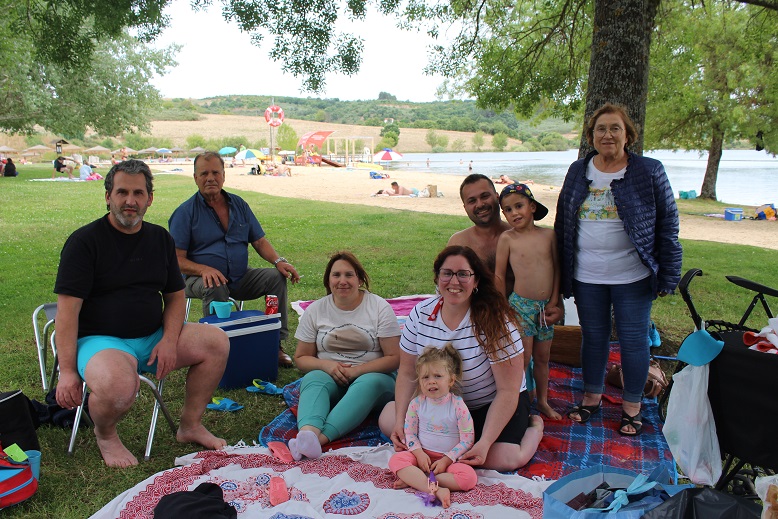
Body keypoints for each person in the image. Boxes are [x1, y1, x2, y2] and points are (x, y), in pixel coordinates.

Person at [53, 159, 230, 468]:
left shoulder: (160, 239)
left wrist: (170, 340)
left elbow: (175, 296)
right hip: (100, 341)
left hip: (152, 336)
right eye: (122, 192)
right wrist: (67, 371)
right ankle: (106, 433)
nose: (130, 201)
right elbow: (67, 313)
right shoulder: (84, 243)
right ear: (108, 196)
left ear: (150, 198)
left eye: (138, 193)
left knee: (216, 342)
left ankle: (189, 425)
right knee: (120, 386)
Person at [554, 103, 682, 436]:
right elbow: (562, 224)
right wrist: (560, 273)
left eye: (615, 128)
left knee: (634, 342)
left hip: (633, 276)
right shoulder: (577, 170)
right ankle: (592, 397)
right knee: (593, 339)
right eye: (601, 129)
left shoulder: (648, 170)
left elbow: (668, 223)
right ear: (591, 135)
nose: (607, 135)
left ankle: (631, 407)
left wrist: (669, 272)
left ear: (628, 135)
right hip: (587, 276)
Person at [379, 246, 543, 471]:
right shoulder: (420, 314)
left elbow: (508, 391)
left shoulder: (497, 322)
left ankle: (535, 427)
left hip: (490, 405)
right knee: (388, 419)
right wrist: (400, 423)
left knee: (503, 459)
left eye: (463, 274)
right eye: (447, 273)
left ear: (475, 281)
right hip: (440, 405)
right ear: (437, 279)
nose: (454, 281)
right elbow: (407, 373)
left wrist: (484, 443)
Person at [168, 151, 300, 368]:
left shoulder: (239, 205)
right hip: (197, 280)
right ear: (195, 178)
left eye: (215, 172)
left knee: (275, 277)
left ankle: (275, 344)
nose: (210, 178)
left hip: (239, 277)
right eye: (204, 173)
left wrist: (278, 261)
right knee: (214, 282)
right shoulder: (185, 212)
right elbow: (175, 259)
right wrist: (202, 269)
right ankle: (218, 350)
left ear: (223, 176)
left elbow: (259, 241)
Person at [289, 251, 401, 460]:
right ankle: (307, 434)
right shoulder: (316, 310)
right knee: (313, 378)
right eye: (336, 275)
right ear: (328, 280)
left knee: (368, 383)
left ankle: (319, 440)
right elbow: (302, 357)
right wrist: (327, 366)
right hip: (332, 376)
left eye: (349, 275)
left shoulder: (378, 307)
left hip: (375, 378)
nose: (342, 281)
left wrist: (357, 371)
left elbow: (395, 357)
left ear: (359, 279)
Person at [495, 183, 562, 420]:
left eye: (519, 206)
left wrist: (555, 301)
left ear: (532, 207)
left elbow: (557, 269)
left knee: (543, 357)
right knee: (523, 358)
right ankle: (516, 402)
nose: (514, 213)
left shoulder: (549, 235)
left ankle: (542, 401)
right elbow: (500, 275)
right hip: (520, 308)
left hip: (545, 308)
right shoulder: (507, 239)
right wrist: (503, 308)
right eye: (507, 210)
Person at [388, 344, 477, 509]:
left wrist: (447, 459)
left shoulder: (458, 405)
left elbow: (467, 439)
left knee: (469, 478)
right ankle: (437, 489)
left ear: (451, 380)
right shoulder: (416, 404)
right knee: (396, 460)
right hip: (421, 456)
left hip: (448, 462)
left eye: (437, 376)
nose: (431, 382)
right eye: (425, 377)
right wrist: (419, 454)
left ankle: (416, 479)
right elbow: (410, 434)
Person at [447, 174, 511, 275]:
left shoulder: (521, 236)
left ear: (497, 197)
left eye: (485, 196)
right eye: (472, 201)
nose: (480, 204)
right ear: (465, 207)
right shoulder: (458, 243)